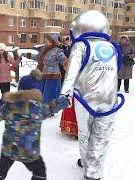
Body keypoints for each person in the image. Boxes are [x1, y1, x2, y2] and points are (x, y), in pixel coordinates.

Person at [0, 69, 69, 180]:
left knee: (0, 170)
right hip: (29, 150)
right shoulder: (39, 108)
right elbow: (52, 107)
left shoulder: (10, 106)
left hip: (9, 149)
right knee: (39, 171)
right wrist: (65, 101)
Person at [61, 10, 125, 180]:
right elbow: (116, 71)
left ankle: (87, 165)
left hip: (85, 98)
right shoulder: (113, 47)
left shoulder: (81, 45)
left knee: (85, 133)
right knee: (102, 136)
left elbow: (71, 74)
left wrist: (65, 95)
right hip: (109, 99)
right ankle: (95, 170)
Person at [31, 34, 68, 104]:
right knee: (42, 94)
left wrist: (66, 63)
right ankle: (43, 109)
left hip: (53, 76)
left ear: (52, 41)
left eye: (47, 40)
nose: (45, 41)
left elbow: (63, 59)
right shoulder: (44, 50)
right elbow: (38, 58)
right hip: (43, 75)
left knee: (50, 96)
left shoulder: (57, 51)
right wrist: (28, 55)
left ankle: (51, 110)